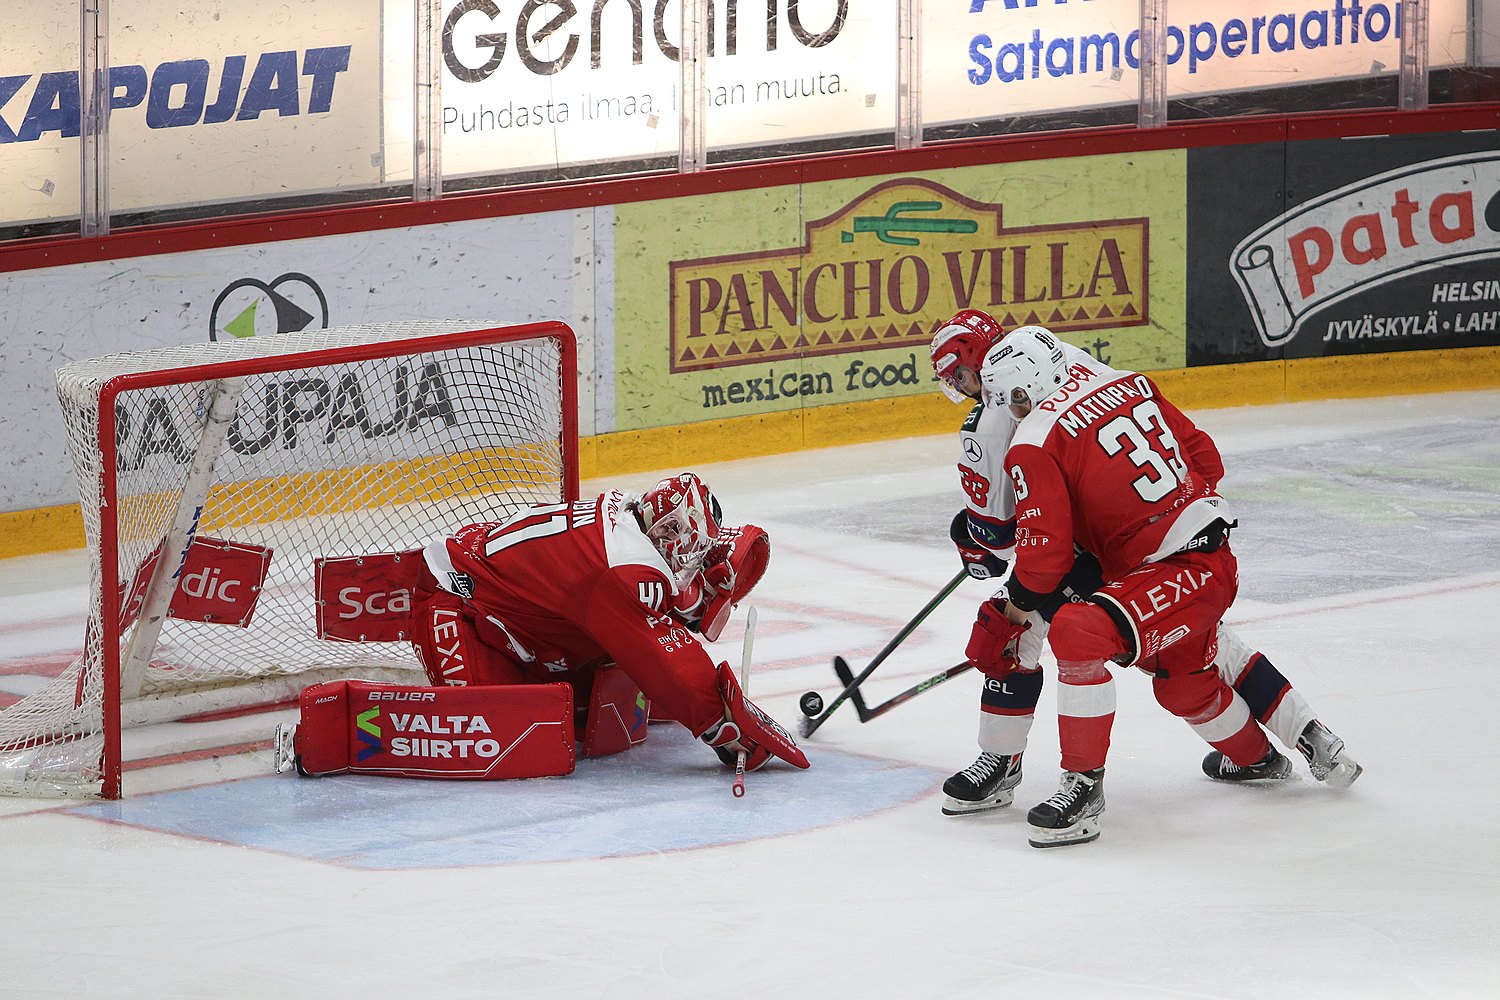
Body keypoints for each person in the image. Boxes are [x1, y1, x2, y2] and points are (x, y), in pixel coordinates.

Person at [974, 326, 1361, 847]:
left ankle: (1084, 789)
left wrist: (1017, 611)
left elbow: (1044, 561)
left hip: (1179, 570)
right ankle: (1276, 753)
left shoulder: (1032, 441)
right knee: (1184, 681)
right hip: (1209, 553)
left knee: (1079, 631)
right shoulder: (1131, 385)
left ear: (1021, 393)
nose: (1012, 412)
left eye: (1010, 401)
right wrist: (1156, 522)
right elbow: (1207, 460)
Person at [277, 473, 809, 780]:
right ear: (670, 536)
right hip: (456, 607)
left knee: (600, 704)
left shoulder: (631, 525)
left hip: (516, 613)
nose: (693, 563)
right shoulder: (624, 573)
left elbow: (659, 607)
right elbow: (667, 655)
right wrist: (723, 724)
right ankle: (345, 726)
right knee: (502, 735)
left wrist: (693, 604)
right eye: (691, 551)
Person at [929, 310, 1104, 816]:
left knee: (1007, 630)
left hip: (1067, 546)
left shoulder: (985, 425)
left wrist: (971, 539)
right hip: (1129, 526)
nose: (962, 391)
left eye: (959, 377)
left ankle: (1001, 762)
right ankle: (1285, 740)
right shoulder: (1061, 356)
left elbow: (999, 539)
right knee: (1191, 645)